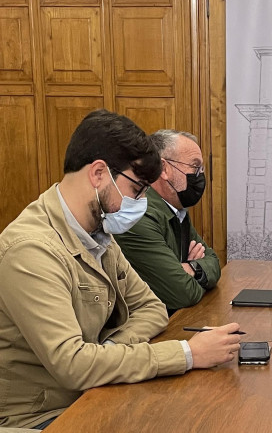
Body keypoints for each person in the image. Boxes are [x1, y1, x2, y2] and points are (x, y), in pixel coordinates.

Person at [0, 110, 240, 429]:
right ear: (99, 173)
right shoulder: (30, 250)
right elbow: (73, 365)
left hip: (95, 391)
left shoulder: (99, 235)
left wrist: (107, 351)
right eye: (138, 189)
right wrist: (187, 354)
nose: (141, 201)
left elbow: (152, 308)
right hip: (43, 417)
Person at [114, 130, 220, 314]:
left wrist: (193, 268)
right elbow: (183, 293)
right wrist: (189, 275)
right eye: (195, 167)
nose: (200, 176)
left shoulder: (176, 210)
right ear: (164, 169)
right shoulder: (139, 216)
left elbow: (214, 262)